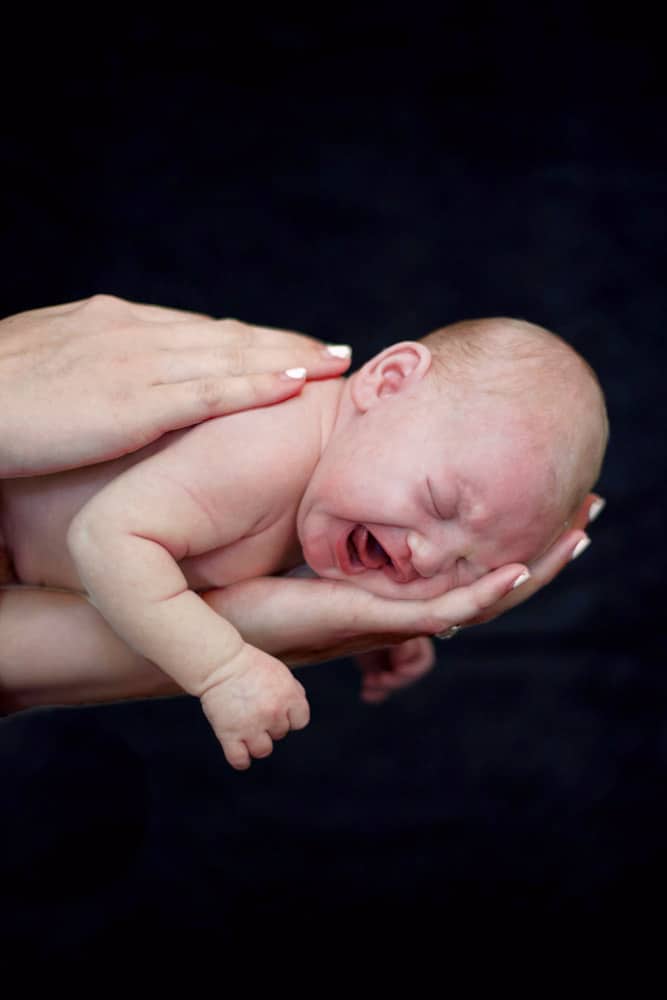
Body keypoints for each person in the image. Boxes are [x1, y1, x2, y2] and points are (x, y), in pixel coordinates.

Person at [0, 313, 608, 769]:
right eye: (439, 502)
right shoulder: (264, 448)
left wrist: (360, 624)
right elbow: (107, 538)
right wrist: (223, 666)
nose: (426, 556)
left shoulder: (337, 493)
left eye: (467, 564)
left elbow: (251, 560)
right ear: (388, 383)